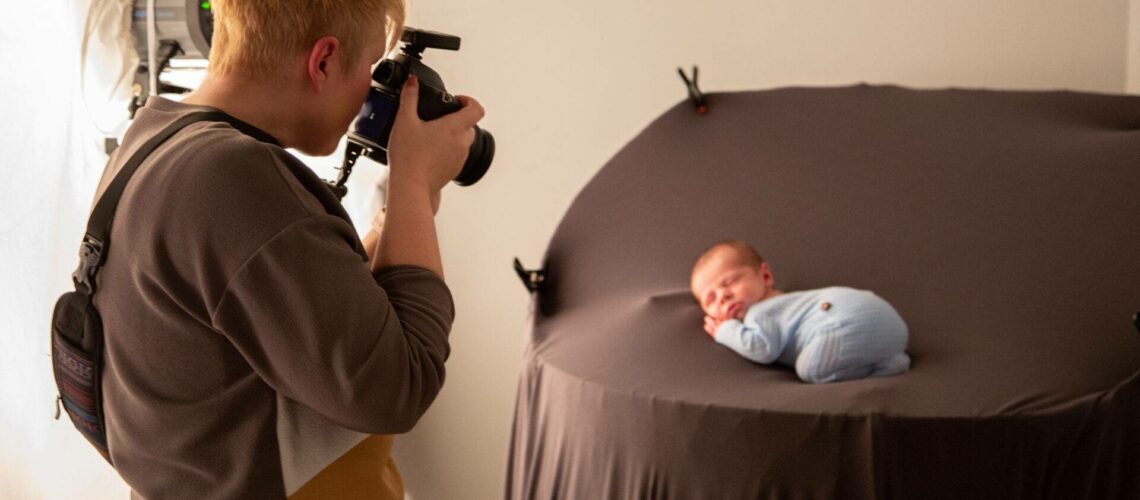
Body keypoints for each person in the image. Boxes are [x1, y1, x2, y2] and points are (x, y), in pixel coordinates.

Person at [87, 0, 485, 497]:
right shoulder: (238, 179)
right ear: (322, 61)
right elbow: (397, 387)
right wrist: (411, 182)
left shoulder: (154, 141)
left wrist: (413, 200)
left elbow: (306, 302)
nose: (369, 89)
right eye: (367, 69)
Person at [690, 240, 911, 383]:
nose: (723, 296)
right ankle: (890, 359)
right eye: (711, 299)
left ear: (765, 276)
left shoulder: (762, 312)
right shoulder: (792, 304)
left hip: (845, 321)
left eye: (730, 282)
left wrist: (726, 330)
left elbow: (763, 349)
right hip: (888, 322)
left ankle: (883, 368)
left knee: (810, 369)